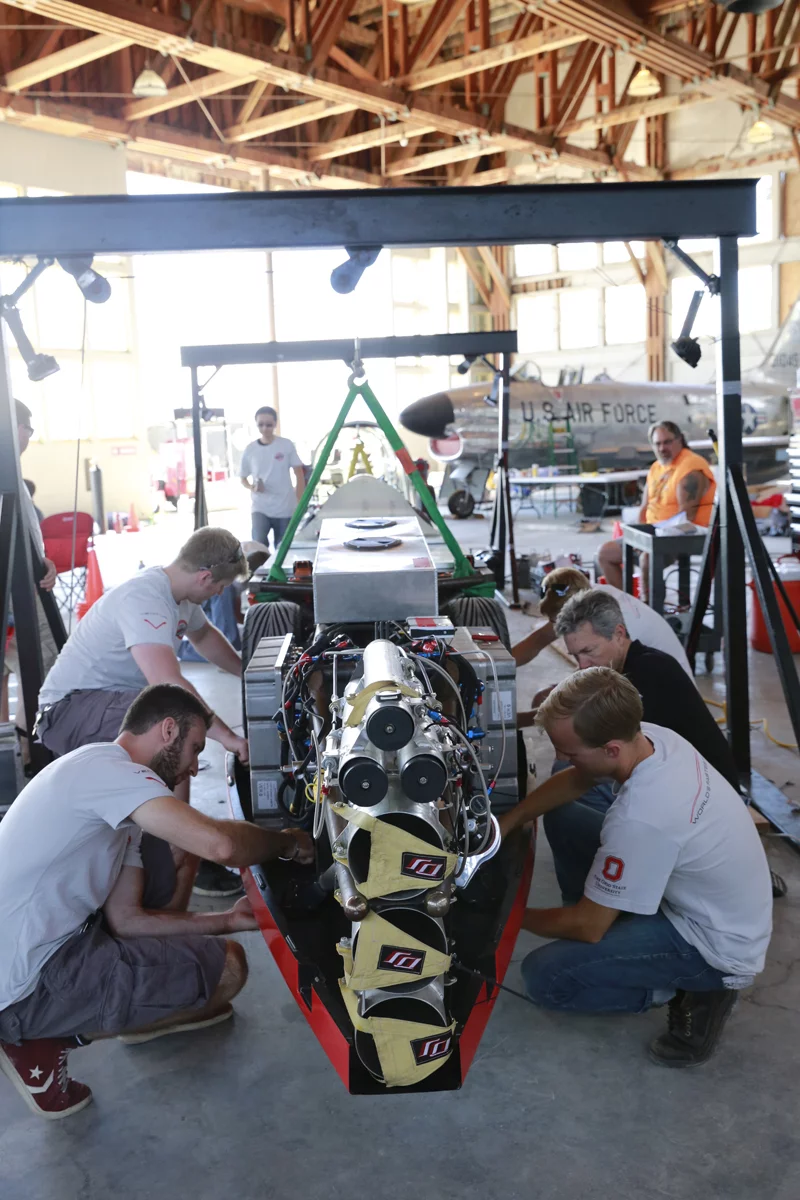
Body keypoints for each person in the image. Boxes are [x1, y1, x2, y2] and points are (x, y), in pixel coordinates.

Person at [0, 683, 314, 1120]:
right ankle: (39, 1040)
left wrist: (228, 919)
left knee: (223, 950)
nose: (194, 767)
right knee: (228, 972)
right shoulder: (112, 774)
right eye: (195, 748)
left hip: (44, 955)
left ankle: (47, 1026)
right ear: (168, 730)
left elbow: (128, 921)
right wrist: (287, 843)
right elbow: (219, 845)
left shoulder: (111, 795)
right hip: (25, 986)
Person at [499, 668, 772, 1067]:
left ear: (610, 749)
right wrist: (506, 824)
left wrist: (507, 915)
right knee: (563, 812)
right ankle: (609, 912)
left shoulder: (642, 819)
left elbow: (587, 927)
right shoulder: (651, 737)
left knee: (545, 977)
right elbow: (577, 778)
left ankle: (678, 988)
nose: (562, 757)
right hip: (703, 889)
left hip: (713, 942)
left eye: (570, 751)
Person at [36, 526, 250, 899]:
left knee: (176, 731)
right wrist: (228, 738)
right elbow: (165, 682)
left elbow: (205, 638)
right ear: (204, 576)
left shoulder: (182, 597)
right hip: (69, 710)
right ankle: (183, 849)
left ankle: (181, 845)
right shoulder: (145, 596)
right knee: (176, 732)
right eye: (219, 587)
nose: (218, 594)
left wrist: (250, 674)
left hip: (108, 701)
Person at [597, 421, 716, 597]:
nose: (662, 448)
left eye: (667, 442)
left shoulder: (690, 468)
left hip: (685, 535)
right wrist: (639, 537)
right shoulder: (656, 467)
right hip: (653, 533)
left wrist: (649, 542)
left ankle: (649, 612)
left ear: (680, 440)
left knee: (648, 558)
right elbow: (644, 507)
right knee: (605, 553)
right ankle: (627, 608)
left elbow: (685, 519)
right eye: (657, 443)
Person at [512, 565, 693, 678]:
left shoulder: (614, 618)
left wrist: (529, 717)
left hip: (662, 691)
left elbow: (603, 683)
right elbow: (538, 640)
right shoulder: (583, 595)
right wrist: (494, 667)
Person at [1, 401, 59, 730]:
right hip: (16, 589)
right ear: (16, 428)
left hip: (24, 579)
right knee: (39, 658)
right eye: (29, 430)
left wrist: (42, 560)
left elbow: (17, 537)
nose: (28, 438)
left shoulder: (15, 480)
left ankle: (16, 745)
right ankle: (23, 745)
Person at [240, 406, 305, 549]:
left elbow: (299, 473)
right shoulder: (250, 449)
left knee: (283, 548)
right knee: (258, 545)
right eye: (261, 425)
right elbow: (243, 477)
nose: (265, 429)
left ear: (275, 424)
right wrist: (253, 487)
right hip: (260, 506)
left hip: (285, 506)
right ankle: (261, 571)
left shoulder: (286, 445)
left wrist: (300, 501)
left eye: (269, 425)